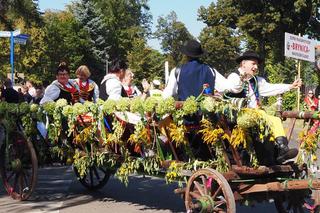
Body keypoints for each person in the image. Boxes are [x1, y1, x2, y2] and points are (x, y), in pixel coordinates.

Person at [226, 50, 302, 164]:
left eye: (257, 64)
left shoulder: (257, 80)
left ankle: (282, 150)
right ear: (243, 63)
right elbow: (235, 89)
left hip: (255, 115)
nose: (256, 67)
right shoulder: (234, 76)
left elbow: (270, 88)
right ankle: (274, 153)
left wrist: (290, 86)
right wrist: (242, 78)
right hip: (238, 116)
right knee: (263, 116)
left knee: (275, 119)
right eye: (253, 64)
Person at [163, 39, 232, 100]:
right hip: (207, 113)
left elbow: (167, 94)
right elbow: (227, 88)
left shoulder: (177, 71)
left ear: (186, 55)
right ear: (199, 55)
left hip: (184, 112)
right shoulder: (211, 70)